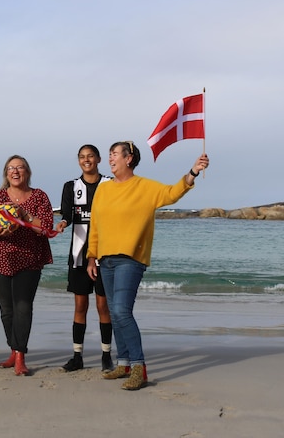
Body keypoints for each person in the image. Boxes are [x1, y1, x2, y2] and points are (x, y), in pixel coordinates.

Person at [87, 141, 209, 390]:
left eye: (114, 155)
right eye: (109, 155)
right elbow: (96, 225)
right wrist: (91, 255)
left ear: (128, 158)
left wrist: (193, 171)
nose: (110, 159)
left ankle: (139, 368)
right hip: (106, 259)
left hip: (131, 259)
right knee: (114, 313)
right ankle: (123, 363)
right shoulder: (103, 189)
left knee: (122, 312)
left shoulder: (144, 187)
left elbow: (172, 193)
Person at [0, 155, 54, 376]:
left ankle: (20, 356)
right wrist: (0, 230)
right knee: (7, 310)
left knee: (23, 306)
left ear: (27, 172)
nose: (15, 171)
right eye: (11, 168)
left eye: (20, 167)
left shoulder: (39, 196)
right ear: (6, 173)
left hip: (29, 257)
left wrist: (23, 215)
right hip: (1, 257)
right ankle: (13, 350)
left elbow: (46, 227)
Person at [55, 144, 113, 373]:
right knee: (80, 305)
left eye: (90, 156)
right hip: (79, 254)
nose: (86, 160)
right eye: (82, 157)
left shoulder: (110, 184)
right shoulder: (71, 186)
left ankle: (106, 355)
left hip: (106, 254)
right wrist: (62, 222)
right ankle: (77, 356)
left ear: (98, 159)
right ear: (78, 161)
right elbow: (67, 214)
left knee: (103, 306)